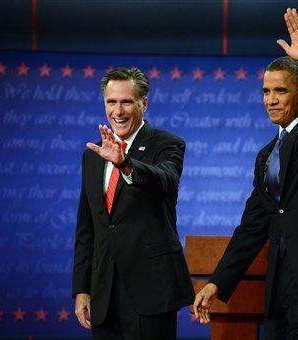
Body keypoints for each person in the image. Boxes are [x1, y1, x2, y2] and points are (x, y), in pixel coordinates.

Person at [193, 8, 298, 340]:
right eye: (266, 92)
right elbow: (253, 225)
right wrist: (217, 280)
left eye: (280, 91)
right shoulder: (265, 155)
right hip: (279, 290)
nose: (270, 100)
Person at [72, 67, 195, 339]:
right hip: (104, 292)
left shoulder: (168, 144)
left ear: (144, 103)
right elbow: (87, 227)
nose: (118, 111)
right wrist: (82, 288)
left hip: (151, 290)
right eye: (111, 102)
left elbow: (165, 180)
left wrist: (125, 164)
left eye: (127, 102)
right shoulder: (92, 156)